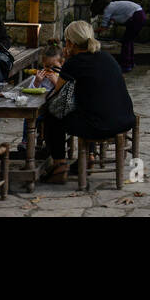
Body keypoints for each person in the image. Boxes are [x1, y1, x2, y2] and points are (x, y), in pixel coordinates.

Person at [41, 21, 135, 184]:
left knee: (51, 115)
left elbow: (58, 94)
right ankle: (89, 156)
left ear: (70, 43)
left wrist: (66, 64)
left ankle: (59, 164)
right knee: (88, 107)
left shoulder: (74, 63)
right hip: (124, 119)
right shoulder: (107, 57)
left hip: (98, 125)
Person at [90, 0, 146, 72]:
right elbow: (110, 23)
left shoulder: (108, 9)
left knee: (126, 41)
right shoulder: (113, 6)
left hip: (136, 16)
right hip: (140, 14)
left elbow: (104, 27)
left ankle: (126, 65)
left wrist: (90, 31)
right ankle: (131, 63)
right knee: (129, 40)